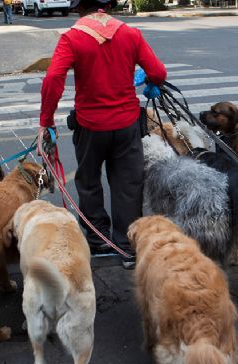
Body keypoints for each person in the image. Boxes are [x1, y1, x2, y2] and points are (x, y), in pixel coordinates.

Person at [39, 0, 166, 269]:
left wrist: (46, 121)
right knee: (128, 185)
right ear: (106, 5)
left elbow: (53, 79)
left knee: (88, 183)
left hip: (90, 126)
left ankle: (98, 243)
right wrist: (151, 82)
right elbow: (158, 72)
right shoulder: (130, 34)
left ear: (80, 7)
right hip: (126, 125)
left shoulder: (72, 37)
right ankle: (127, 246)